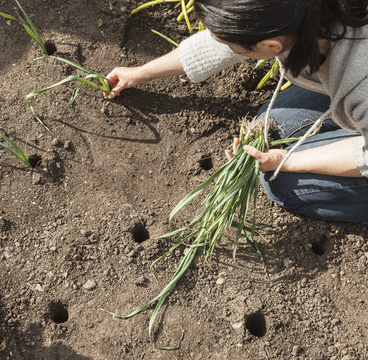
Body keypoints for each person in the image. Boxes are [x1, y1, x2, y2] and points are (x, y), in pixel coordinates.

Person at [105, 0, 368, 226]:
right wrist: (141, 73)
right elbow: (230, 38)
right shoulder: (298, 11)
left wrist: (286, 161)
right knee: (274, 124)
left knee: (284, 184)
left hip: (361, 92)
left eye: (235, 46)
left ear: (272, 44)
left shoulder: (359, 79)